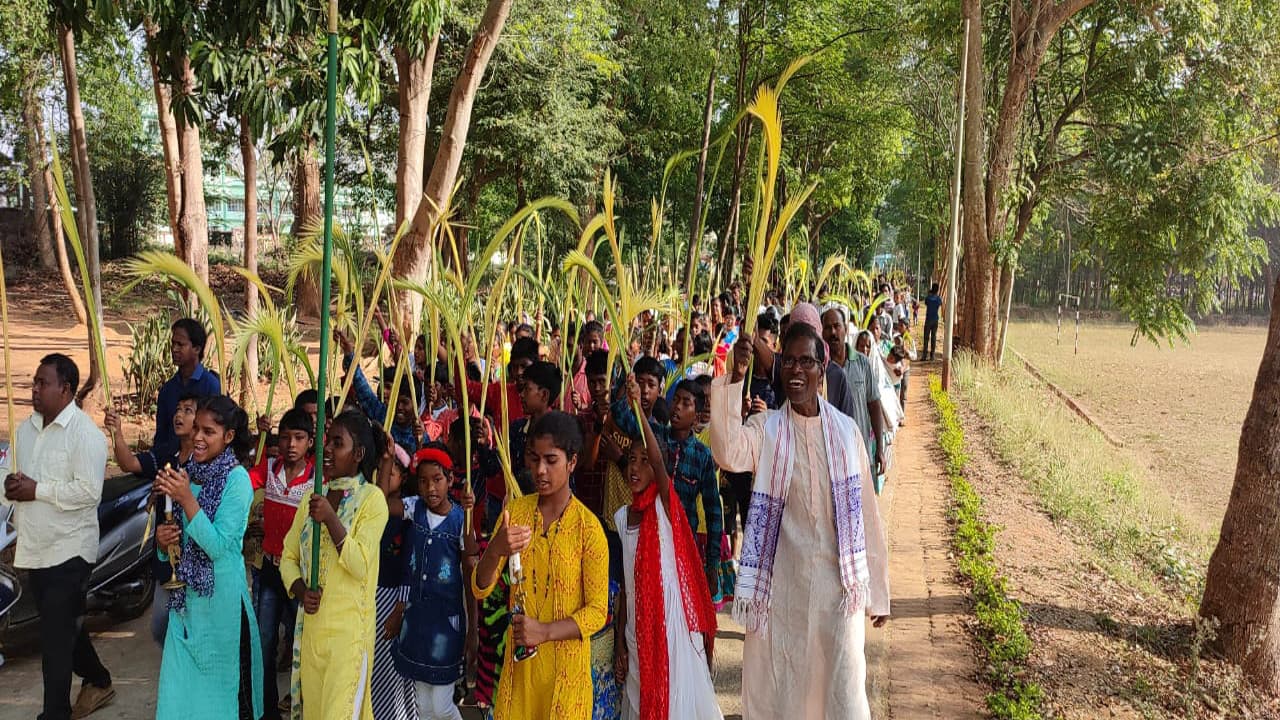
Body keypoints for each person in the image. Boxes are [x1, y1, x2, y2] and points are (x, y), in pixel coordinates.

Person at [710, 326, 890, 720]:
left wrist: (877, 590)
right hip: (780, 596)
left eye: (805, 361)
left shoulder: (845, 433)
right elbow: (727, 451)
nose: (795, 369)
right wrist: (736, 377)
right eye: (788, 360)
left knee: (840, 692)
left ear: (821, 370)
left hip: (836, 594)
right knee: (782, 694)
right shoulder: (767, 429)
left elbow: (866, 514)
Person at [472, 412, 609, 720]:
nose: (540, 470)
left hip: (566, 676)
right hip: (521, 673)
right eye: (534, 459)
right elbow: (481, 588)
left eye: (551, 460)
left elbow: (598, 611)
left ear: (572, 462)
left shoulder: (588, 529)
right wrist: (495, 550)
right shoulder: (516, 513)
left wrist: (544, 632)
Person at [4, 354, 114, 719]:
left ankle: (54, 713)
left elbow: (87, 493)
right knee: (65, 627)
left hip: (70, 551)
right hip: (34, 548)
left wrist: (38, 490)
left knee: (53, 639)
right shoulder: (25, 430)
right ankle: (99, 679)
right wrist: (9, 485)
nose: (34, 390)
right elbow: (8, 473)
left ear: (65, 390)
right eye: (34, 382)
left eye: (42, 383)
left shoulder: (86, 436)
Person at [613, 376, 721, 720]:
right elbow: (628, 590)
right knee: (639, 694)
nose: (635, 467)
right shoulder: (620, 517)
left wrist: (638, 409)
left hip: (669, 624)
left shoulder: (663, 506)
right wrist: (619, 641)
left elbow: (660, 463)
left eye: (644, 460)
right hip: (635, 629)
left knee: (673, 698)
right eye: (631, 459)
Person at [153, 395, 263, 720]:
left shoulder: (237, 481)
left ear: (228, 436)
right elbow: (177, 543)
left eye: (209, 431)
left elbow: (217, 546)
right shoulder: (187, 473)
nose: (198, 437)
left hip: (221, 611)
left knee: (222, 701)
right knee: (178, 698)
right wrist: (163, 541)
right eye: (196, 429)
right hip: (186, 606)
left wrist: (187, 500)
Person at [281, 410, 390, 720]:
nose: (326, 449)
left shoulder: (372, 500)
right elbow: (288, 557)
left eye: (337, 443)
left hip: (349, 639)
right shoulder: (312, 497)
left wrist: (330, 519)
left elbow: (360, 564)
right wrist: (300, 589)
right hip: (313, 635)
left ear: (358, 454)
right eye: (327, 441)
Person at [610, 375, 722, 600]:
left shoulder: (702, 456)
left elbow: (713, 514)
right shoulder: (655, 435)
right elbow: (621, 416)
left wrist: (712, 564)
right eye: (676, 400)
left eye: (686, 403)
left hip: (683, 544)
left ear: (697, 416)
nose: (677, 407)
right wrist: (629, 392)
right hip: (650, 537)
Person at [104, 390, 203, 646]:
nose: (179, 415)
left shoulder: (205, 462)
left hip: (195, 552)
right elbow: (128, 464)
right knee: (160, 625)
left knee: (193, 622)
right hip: (165, 552)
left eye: (188, 410)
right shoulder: (166, 454)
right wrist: (117, 432)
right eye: (178, 409)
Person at [388, 446, 478, 720]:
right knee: (424, 707)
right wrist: (384, 461)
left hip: (446, 626)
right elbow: (380, 502)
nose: (430, 488)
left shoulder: (460, 521)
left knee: (441, 706)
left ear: (451, 480)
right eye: (423, 481)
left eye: (437, 479)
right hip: (415, 623)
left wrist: (473, 630)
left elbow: (472, 569)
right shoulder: (413, 507)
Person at [247, 407, 315, 720]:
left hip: (299, 576)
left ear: (310, 442)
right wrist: (261, 437)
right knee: (263, 644)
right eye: (285, 437)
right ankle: (267, 712)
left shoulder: (317, 479)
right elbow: (247, 480)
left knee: (303, 646)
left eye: (299, 438)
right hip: (269, 571)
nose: (290, 444)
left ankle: (303, 708)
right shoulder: (269, 466)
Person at [370, 438, 420, 720]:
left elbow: (408, 566)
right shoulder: (368, 508)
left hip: (393, 601)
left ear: (402, 479)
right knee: (374, 667)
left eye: (390, 472)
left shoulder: (406, 515)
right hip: (370, 597)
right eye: (380, 471)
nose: (384, 477)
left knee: (391, 670)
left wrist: (399, 609)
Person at [819, 306, 888, 474]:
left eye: (837, 326)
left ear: (846, 329)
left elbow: (874, 405)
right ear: (821, 333)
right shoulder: (818, 368)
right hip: (830, 458)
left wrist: (879, 447)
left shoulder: (863, 363)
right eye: (828, 328)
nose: (833, 332)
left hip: (860, 453)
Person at [337, 329, 421, 455]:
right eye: (396, 401)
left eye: (405, 402)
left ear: (417, 405)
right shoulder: (382, 413)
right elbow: (363, 389)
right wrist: (349, 353)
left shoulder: (420, 434)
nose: (399, 407)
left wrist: (419, 443)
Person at [155, 318, 222, 460]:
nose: (174, 349)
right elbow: (161, 435)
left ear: (197, 349)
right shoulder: (167, 390)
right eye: (173, 344)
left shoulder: (211, 385)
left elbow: (218, 431)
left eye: (180, 344)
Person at [923, 283, 943, 360]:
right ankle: (932, 355)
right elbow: (940, 303)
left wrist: (929, 293)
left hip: (928, 320)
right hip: (935, 320)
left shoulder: (928, 298)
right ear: (937, 290)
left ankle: (924, 356)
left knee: (926, 338)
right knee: (933, 337)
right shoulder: (938, 299)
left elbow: (926, 302)